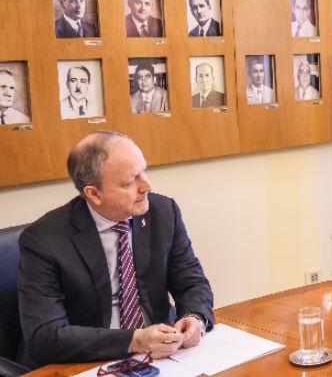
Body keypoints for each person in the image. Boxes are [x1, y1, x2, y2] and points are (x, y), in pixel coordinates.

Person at [17, 131, 214, 368]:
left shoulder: (163, 212)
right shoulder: (44, 240)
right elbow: (45, 337)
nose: (147, 186)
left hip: (163, 358)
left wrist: (195, 318)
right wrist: (134, 340)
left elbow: (191, 281)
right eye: (130, 181)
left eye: (144, 171)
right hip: (87, 362)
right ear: (94, 193)